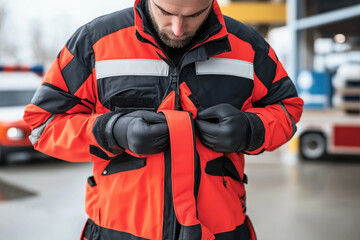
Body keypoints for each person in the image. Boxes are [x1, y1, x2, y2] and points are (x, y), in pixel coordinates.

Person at [23, 0, 304, 239]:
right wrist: (112, 132)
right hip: (118, 231)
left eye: (193, 15)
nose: (178, 28)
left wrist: (251, 129)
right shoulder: (94, 42)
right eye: (166, 12)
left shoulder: (247, 46)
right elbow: (43, 124)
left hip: (222, 230)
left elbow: (287, 109)